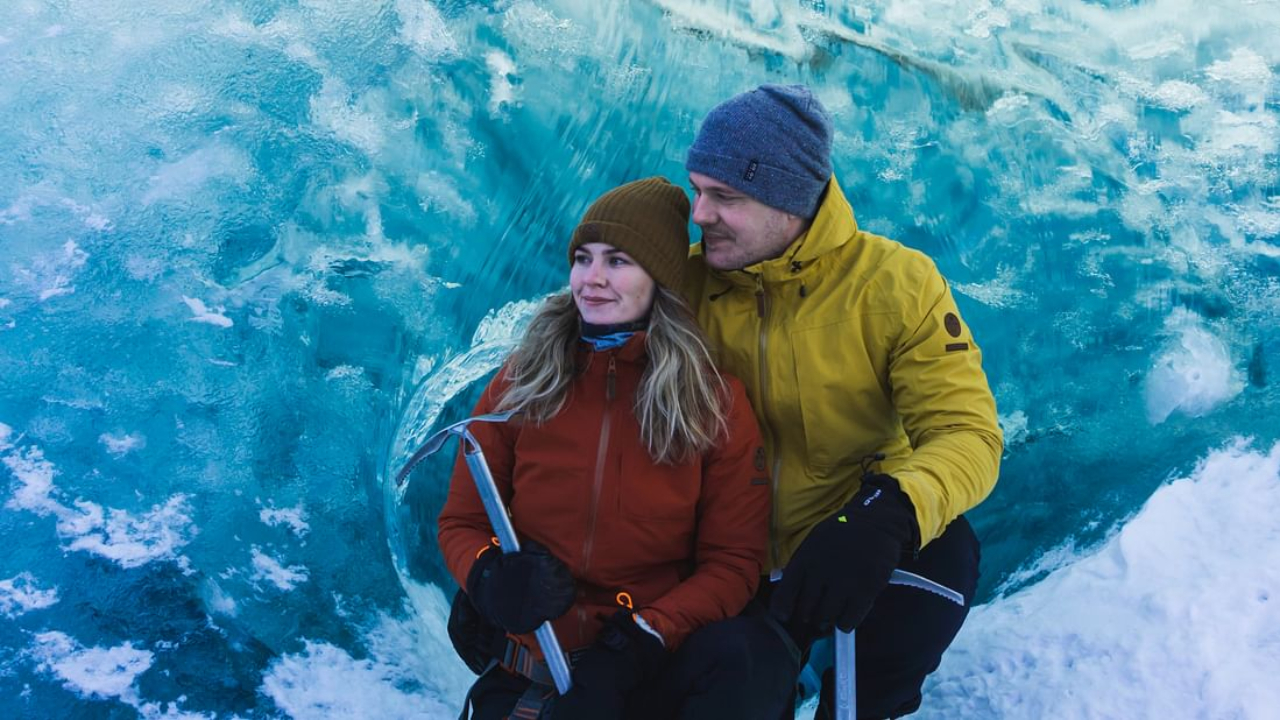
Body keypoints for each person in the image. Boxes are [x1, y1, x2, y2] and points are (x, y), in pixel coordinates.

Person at [682, 84, 1004, 718]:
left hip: (847, 536)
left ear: (788, 199)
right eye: (696, 189)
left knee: (947, 555)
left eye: (725, 196)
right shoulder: (682, 287)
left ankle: (863, 706)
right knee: (738, 679)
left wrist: (889, 514)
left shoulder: (896, 282)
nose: (699, 214)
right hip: (726, 556)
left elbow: (969, 434)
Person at [437, 177, 775, 720]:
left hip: (646, 665)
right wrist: (486, 575)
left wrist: (639, 641)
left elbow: (732, 564)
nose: (591, 280)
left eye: (617, 261)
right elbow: (461, 521)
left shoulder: (714, 403)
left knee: (747, 656)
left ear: (657, 279)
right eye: (582, 259)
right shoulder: (523, 380)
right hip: (534, 663)